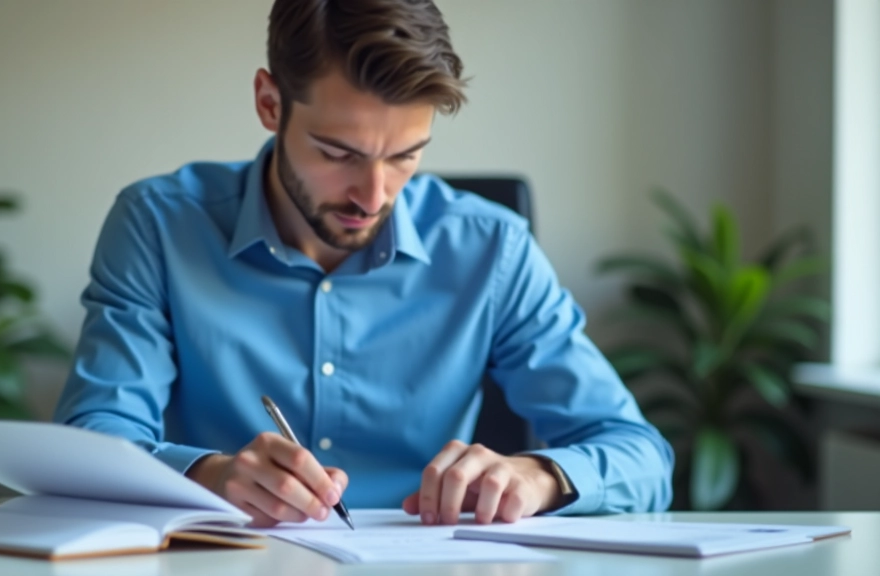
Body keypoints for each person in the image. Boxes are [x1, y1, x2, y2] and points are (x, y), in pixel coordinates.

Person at [54, 0, 674, 528]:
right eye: (338, 153)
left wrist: (539, 477)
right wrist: (210, 475)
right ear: (270, 104)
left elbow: (642, 458)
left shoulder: (493, 250)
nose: (374, 197)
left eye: (406, 155)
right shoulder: (158, 226)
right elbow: (92, 445)